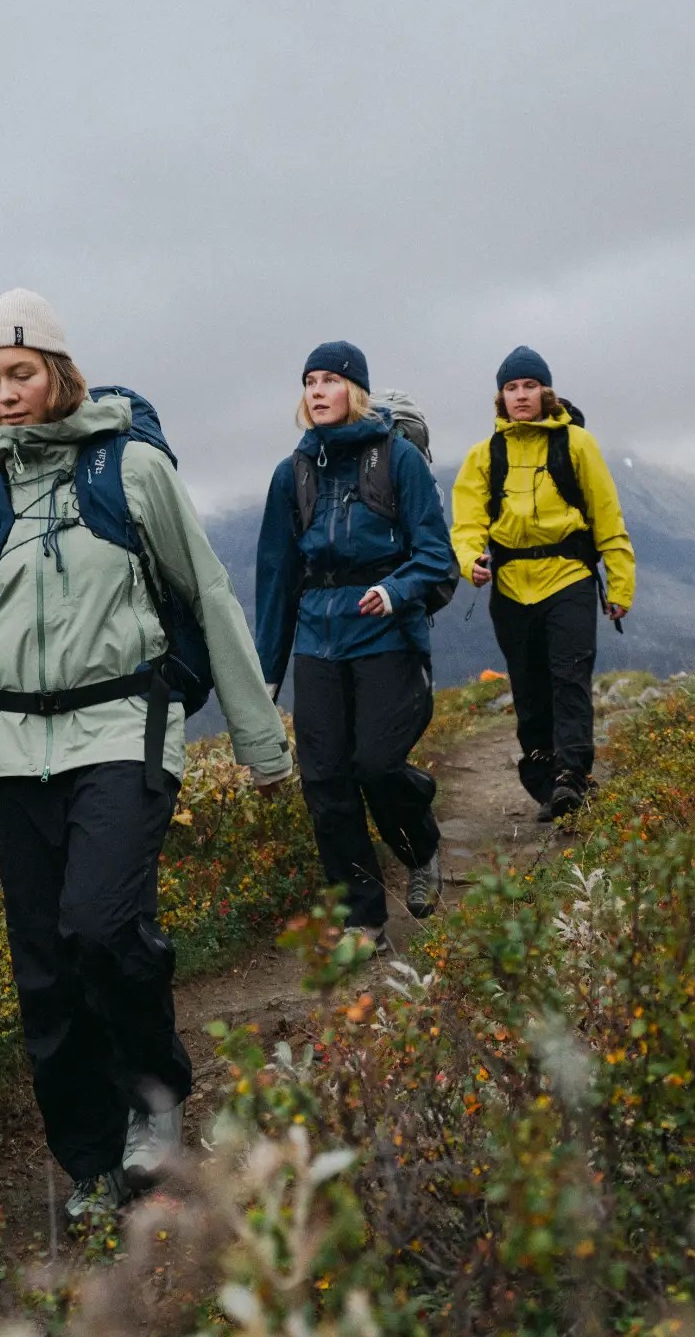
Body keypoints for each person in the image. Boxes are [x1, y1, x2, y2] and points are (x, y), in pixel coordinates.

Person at [0, 289, 293, 1221]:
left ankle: (154, 1105)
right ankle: (93, 1157)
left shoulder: (134, 470)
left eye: (20, 373)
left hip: (122, 726)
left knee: (103, 926)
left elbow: (211, 594)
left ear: (60, 372)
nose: (5, 394)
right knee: (46, 971)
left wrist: (263, 742)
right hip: (18, 750)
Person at [255, 341, 457, 951]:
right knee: (324, 781)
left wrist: (396, 591)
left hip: (386, 636)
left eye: (330, 381)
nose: (316, 391)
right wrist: (267, 671)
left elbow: (437, 560)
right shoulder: (291, 473)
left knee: (376, 765)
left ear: (356, 391)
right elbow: (276, 576)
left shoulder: (399, 461)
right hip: (318, 638)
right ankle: (363, 918)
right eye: (309, 381)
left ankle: (421, 845)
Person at [450, 346, 635, 821]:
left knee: (568, 677)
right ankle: (543, 778)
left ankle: (573, 774)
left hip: (569, 578)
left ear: (546, 391)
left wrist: (620, 585)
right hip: (510, 586)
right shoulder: (483, 456)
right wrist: (471, 561)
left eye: (529, 386)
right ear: (501, 398)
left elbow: (607, 517)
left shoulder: (577, 445)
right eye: (511, 388)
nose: (521, 396)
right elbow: (467, 523)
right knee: (529, 690)